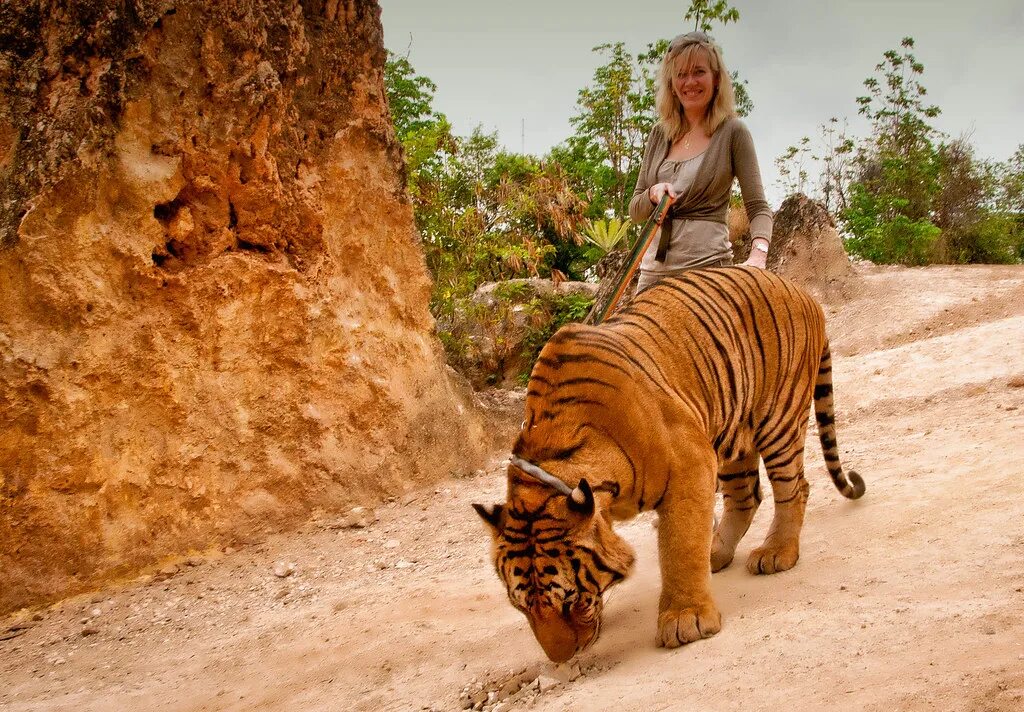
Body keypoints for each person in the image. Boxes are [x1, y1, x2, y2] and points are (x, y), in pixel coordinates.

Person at [628, 31, 773, 293]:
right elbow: (635, 210)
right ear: (671, 83)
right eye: (681, 74)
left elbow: (758, 207)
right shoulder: (658, 135)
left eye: (698, 72)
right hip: (652, 278)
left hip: (707, 274)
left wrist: (758, 255)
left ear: (716, 78)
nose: (689, 82)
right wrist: (652, 194)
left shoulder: (733, 132)